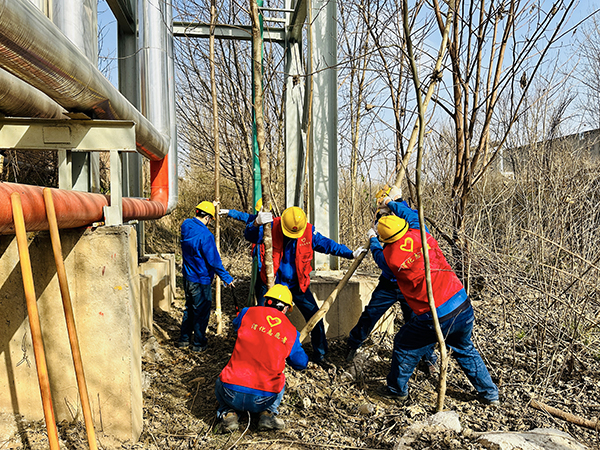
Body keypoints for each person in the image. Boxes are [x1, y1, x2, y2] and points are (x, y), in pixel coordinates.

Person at [375, 195, 499, 405]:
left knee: (405, 344)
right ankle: (490, 394)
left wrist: (371, 240)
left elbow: (380, 258)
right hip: (462, 304)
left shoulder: (390, 256)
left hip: (436, 315)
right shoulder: (421, 233)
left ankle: (396, 389)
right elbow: (413, 215)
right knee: (464, 348)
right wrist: (393, 202)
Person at [244, 206, 366, 368]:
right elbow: (249, 235)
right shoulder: (271, 227)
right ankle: (259, 354)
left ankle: (320, 354)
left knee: (315, 318)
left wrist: (350, 254)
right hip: (271, 284)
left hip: (297, 285)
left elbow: (327, 245)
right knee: (262, 321)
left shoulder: (308, 232)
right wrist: (256, 223)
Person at [346, 225, 437, 377]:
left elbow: (381, 259)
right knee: (370, 314)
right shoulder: (387, 223)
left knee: (417, 322)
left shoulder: (409, 227)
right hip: (388, 285)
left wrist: (373, 239)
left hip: (408, 285)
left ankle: (428, 358)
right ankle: (353, 344)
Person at [215, 284, 308, 432]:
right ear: (285, 309)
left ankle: (228, 413)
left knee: (222, 378)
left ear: (265, 301)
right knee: (280, 377)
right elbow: (301, 363)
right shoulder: (291, 331)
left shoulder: (247, 313)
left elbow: (236, 326)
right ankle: (268, 414)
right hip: (263, 398)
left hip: (230, 393)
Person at [177, 201, 234, 352]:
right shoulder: (206, 236)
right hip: (201, 280)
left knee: (189, 308)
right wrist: (226, 278)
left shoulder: (186, 225)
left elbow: (195, 221)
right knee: (201, 312)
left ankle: (184, 339)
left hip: (188, 277)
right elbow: (214, 261)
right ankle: (199, 343)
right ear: (208, 218)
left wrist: (212, 204)